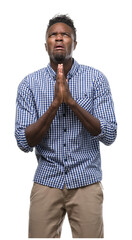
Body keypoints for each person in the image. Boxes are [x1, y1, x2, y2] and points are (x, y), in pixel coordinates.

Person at [15, 14, 117, 238]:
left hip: (87, 182)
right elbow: (24, 142)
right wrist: (54, 105)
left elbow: (109, 134)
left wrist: (71, 102)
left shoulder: (95, 79)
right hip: (46, 182)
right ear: (46, 45)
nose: (59, 39)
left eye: (65, 35)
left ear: (75, 43)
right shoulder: (29, 85)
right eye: (53, 35)